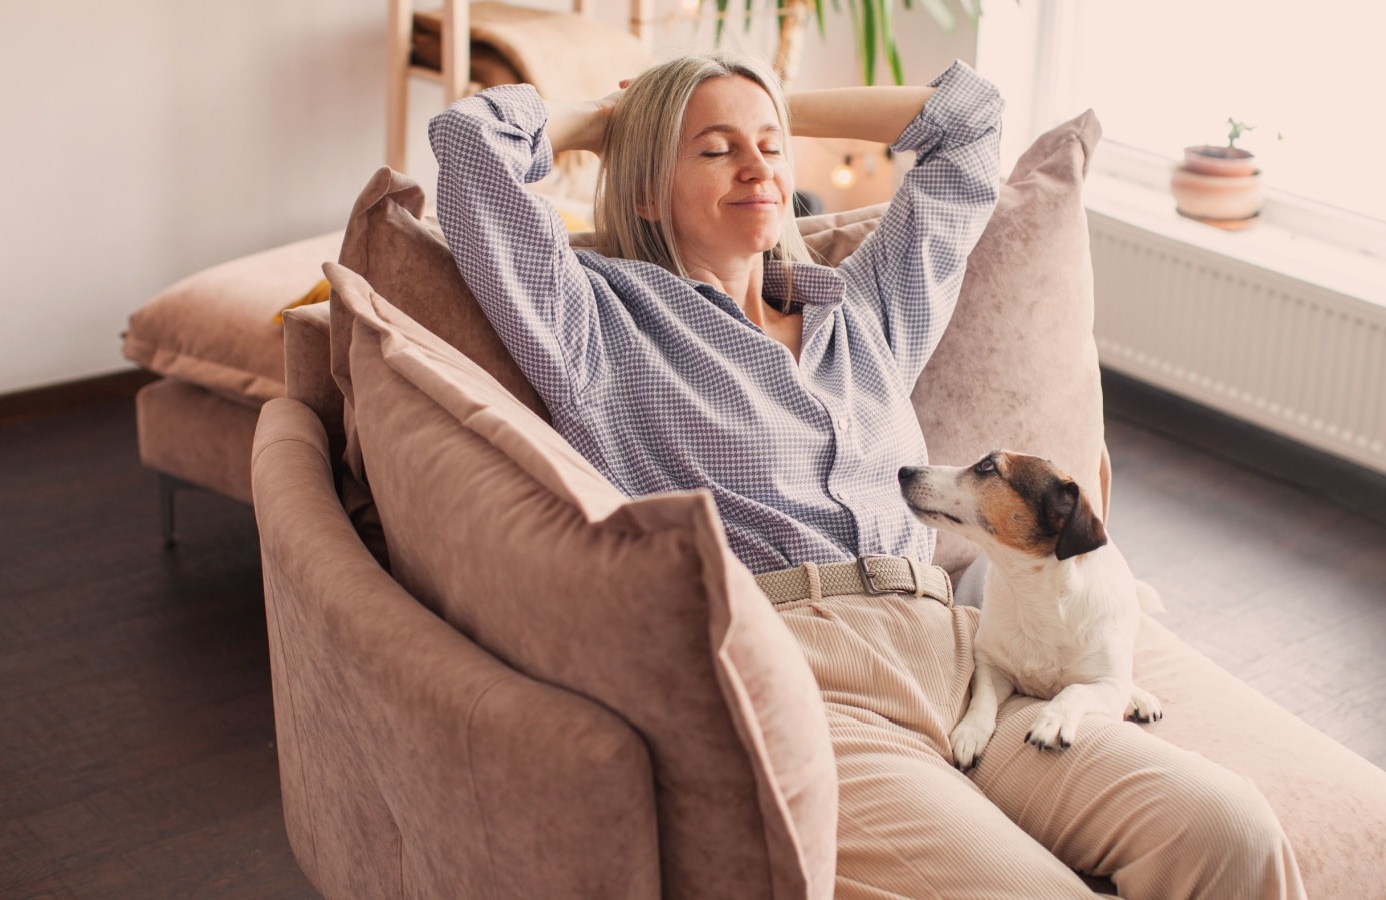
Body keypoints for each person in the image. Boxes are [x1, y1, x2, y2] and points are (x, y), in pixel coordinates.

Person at [429, 53, 1305, 899]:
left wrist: (773, 101)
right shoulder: (599, 324)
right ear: (651, 188)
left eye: (769, 148)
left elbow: (971, 125)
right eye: (714, 149)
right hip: (803, 678)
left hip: (963, 658)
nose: (757, 168)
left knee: (1231, 831)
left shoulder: (864, 310)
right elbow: (470, 146)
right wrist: (621, 122)